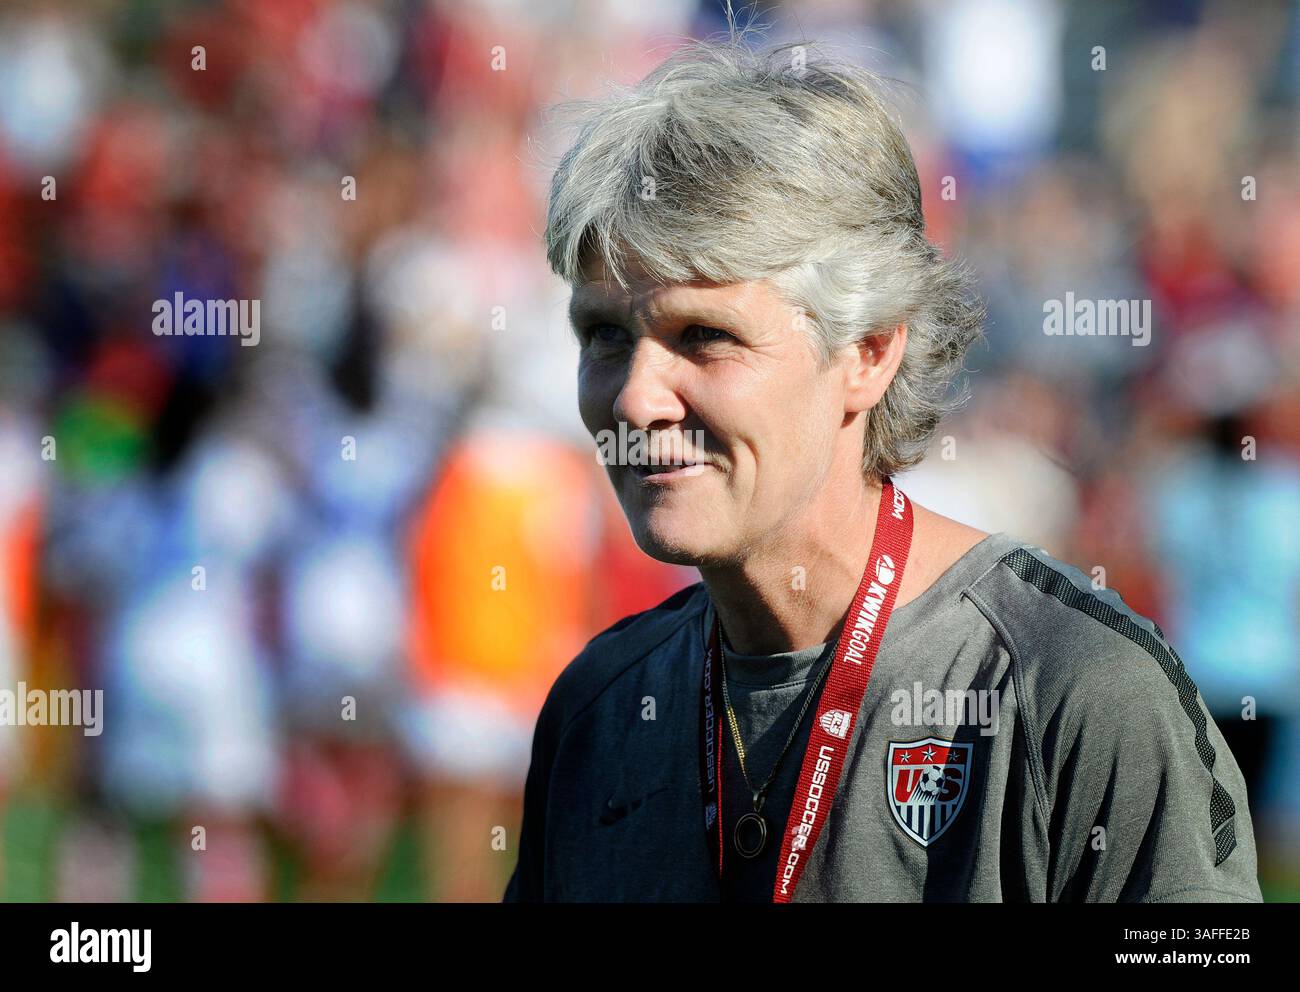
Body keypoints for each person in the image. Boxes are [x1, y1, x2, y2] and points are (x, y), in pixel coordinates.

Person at [502, 37, 1262, 903]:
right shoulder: (602, 707)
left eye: (703, 336)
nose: (637, 400)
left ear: (867, 351)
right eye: (604, 335)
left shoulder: (1076, 689)